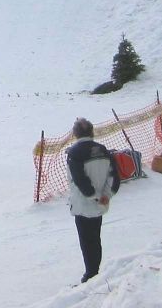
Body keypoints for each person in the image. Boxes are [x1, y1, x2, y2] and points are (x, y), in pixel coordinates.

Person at [66, 118, 120, 284]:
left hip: (84, 205)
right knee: (95, 239)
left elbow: (80, 180)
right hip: (100, 205)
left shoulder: (74, 153)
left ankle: (91, 275)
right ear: (92, 132)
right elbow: (114, 177)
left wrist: (95, 196)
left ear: (76, 134)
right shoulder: (103, 150)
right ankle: (93, 271)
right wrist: (106, 195)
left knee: (86, 241)